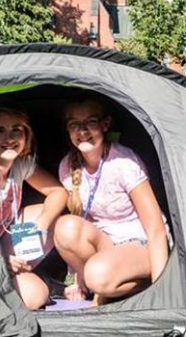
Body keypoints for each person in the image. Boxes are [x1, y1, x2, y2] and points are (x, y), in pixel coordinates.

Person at [53, 97, 169, 305]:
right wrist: (75, 278)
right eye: (74, 124)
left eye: (90, 122)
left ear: (105, 125)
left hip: (140, 241)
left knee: (97, 275)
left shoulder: (123, 162)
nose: (82, 131)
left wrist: (162, 289)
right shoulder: (67, 166)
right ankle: (98, 283)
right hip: (106, 243)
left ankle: (135, 287)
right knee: (64, 227)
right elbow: (82, 220)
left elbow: (156, 229)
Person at [0, 105, 68, 310]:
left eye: (17, 130)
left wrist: (41, 226)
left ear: (26, 136)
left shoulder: (20, 165)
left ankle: (20, 271)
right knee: (36, 296)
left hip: (2, 242)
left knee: (52, 216)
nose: (9, 138)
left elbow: (59, 192)